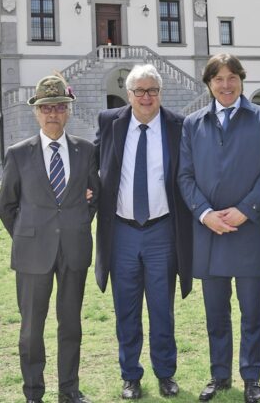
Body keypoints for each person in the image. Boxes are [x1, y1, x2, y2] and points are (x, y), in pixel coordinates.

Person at [178, 53, 260, 403]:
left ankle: (251, 376)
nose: (226, 85)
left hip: (248, 230)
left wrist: (245, 210)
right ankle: (219, 375)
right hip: (209, 232)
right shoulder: (193, 124)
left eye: (232, 77)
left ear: (241, 80)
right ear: (208, 83)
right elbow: (185, 175)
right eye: (218, 79)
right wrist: (204, 213)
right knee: (215, 313)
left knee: (252, 311)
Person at [0, 74, 99, 403]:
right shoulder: (18, 154)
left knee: (70, 325)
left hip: (74, 251)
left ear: (67, 110)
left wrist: (76, 222)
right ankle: (33, 393)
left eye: (58, 107)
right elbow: (6, 206)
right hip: (32, 254)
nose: (52, 113)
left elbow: (95, 196)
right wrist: (28, 234)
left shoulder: (85, 151)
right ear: (36, 114)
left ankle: (69, 390)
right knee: (31, 329)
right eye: (46, 108)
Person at [94, 64, 193, 399]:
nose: (146, 97)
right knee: (127, 307)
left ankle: (166, 373)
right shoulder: (110, 122)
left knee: (162, 308)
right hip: (121, 232)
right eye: (140, 91)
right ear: (129, 94)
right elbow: (95, 163)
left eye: (152, 90)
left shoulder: (178, 126)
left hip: (162, 231)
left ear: (160, 93)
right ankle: (130, 375)